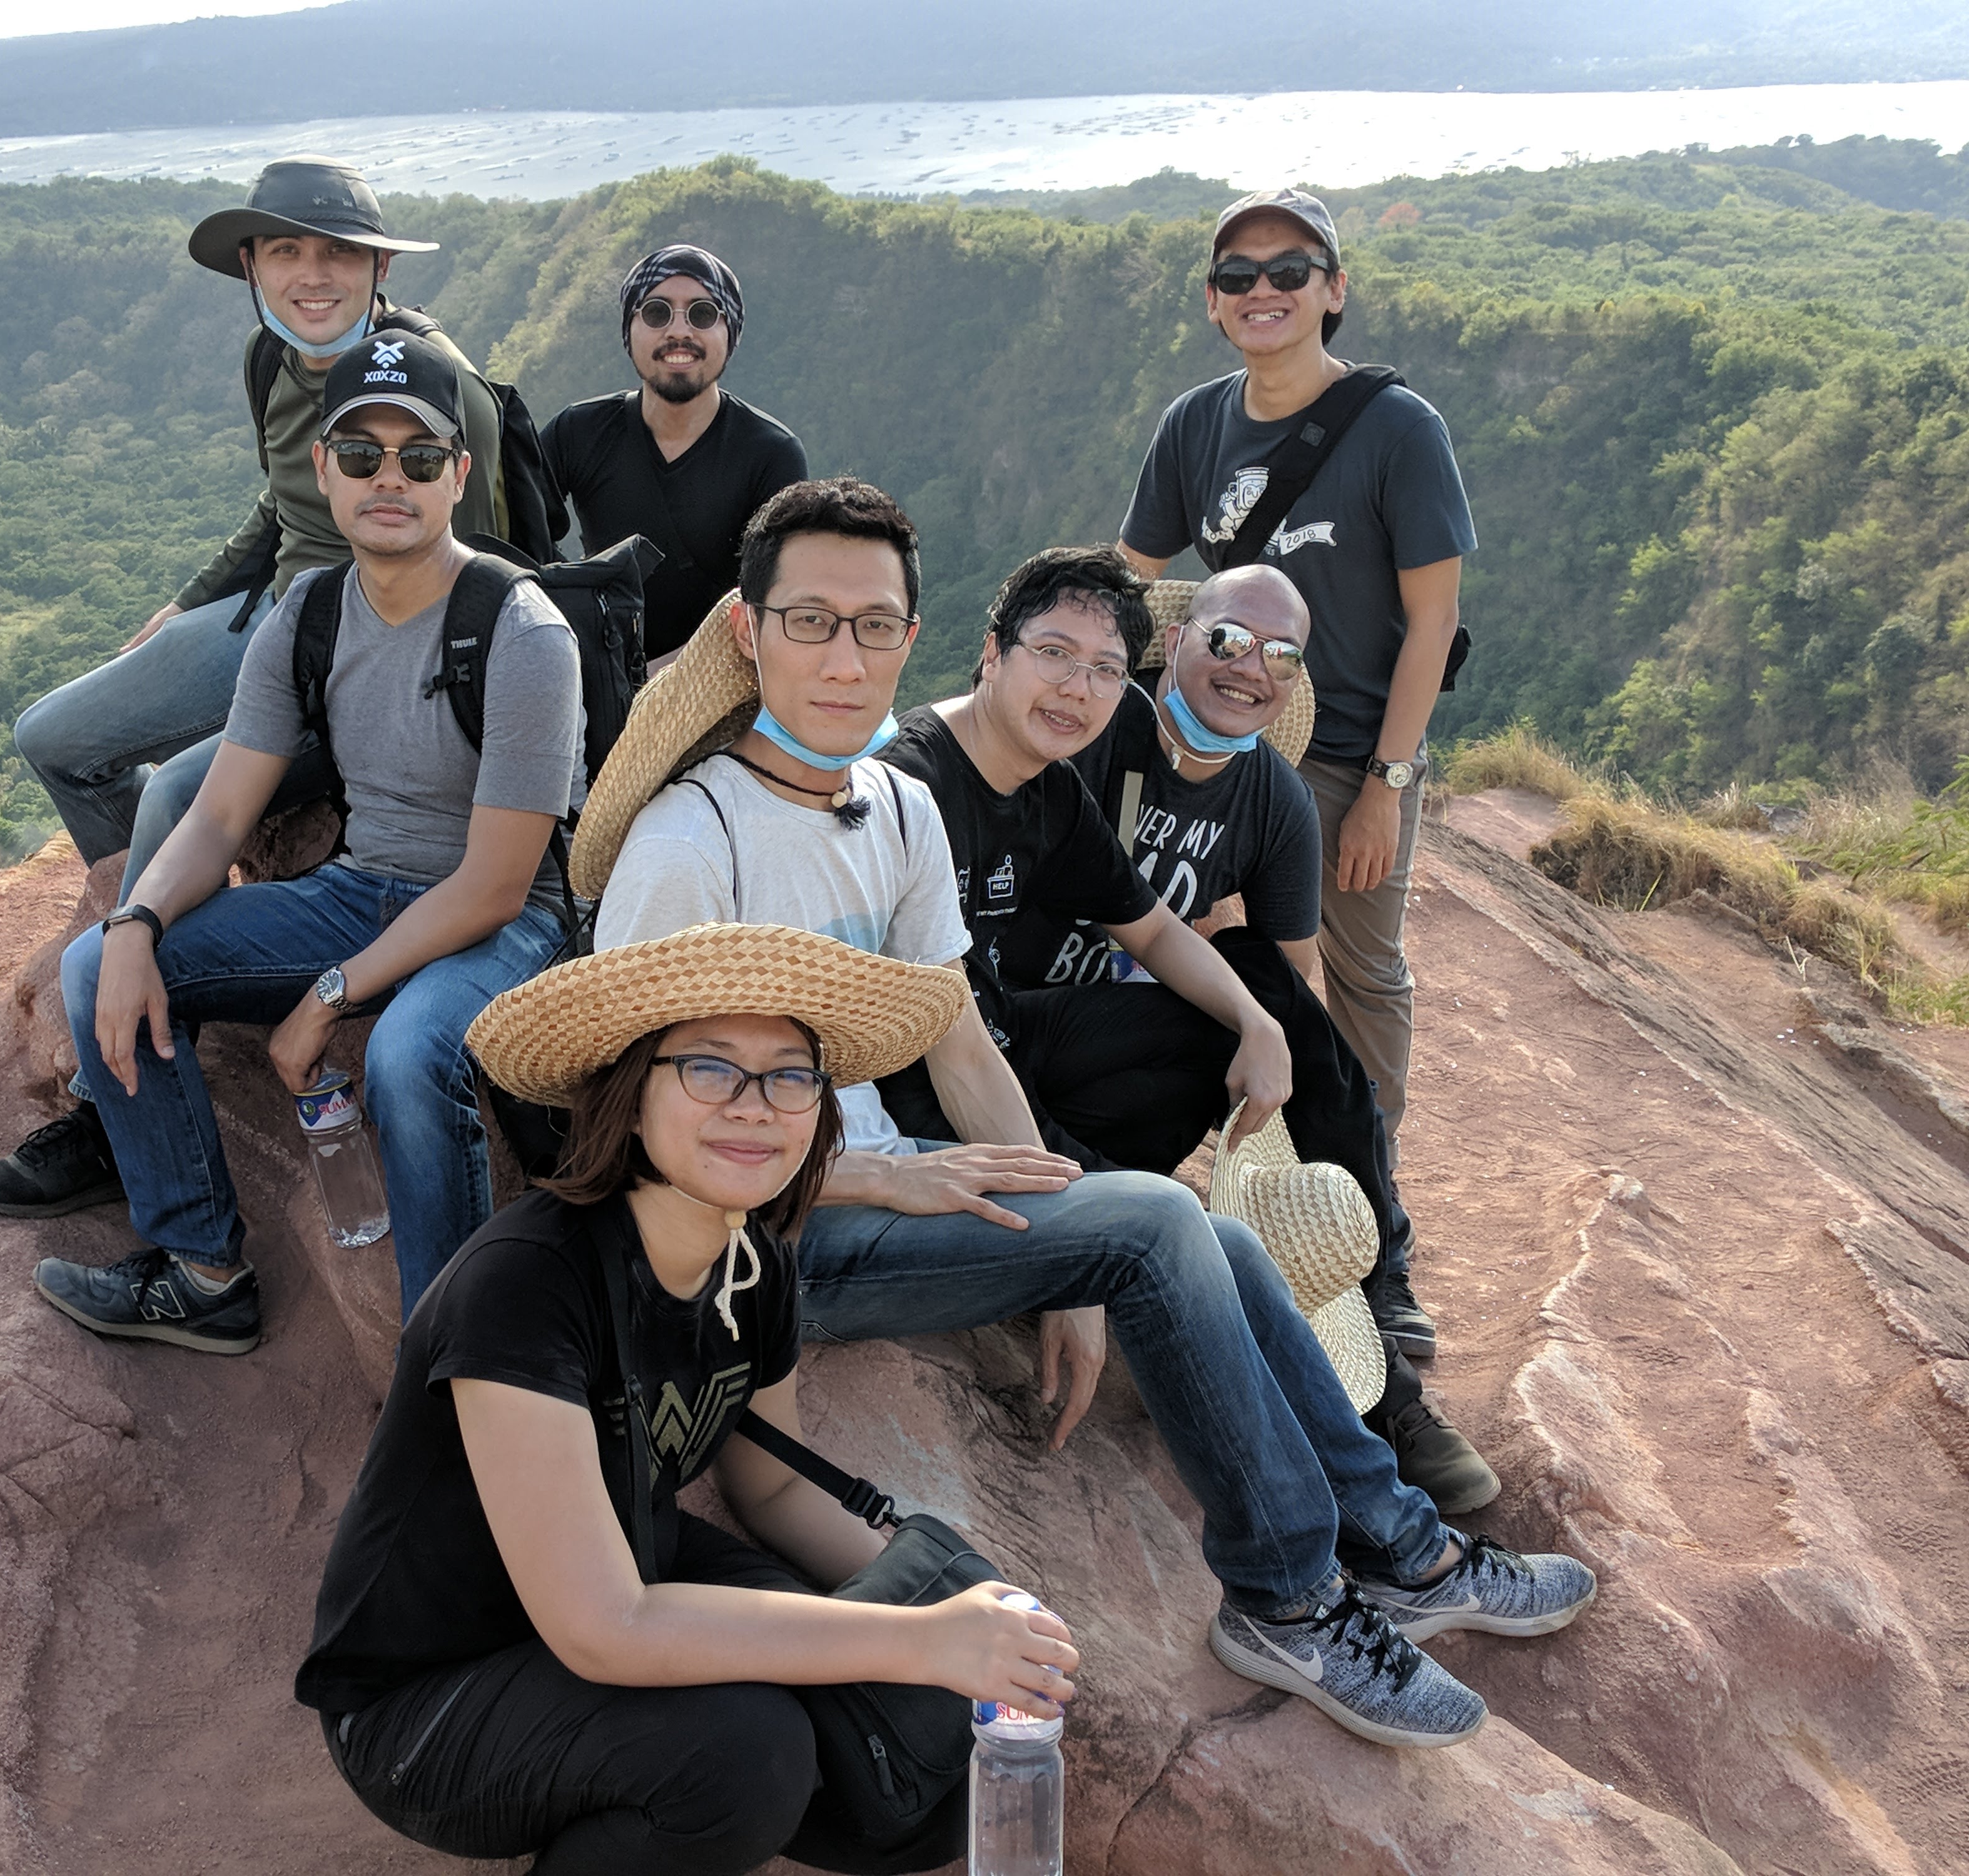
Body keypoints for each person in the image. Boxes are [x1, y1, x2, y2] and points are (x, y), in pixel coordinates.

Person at [570, 478, 1594, 1748]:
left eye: (875, 626)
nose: (847, 659)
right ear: (748, 632)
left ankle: (1400, 1549)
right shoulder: (692, 841)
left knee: (1194, 1233)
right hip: (765, 1251)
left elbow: (956, 1036)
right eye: (811, 622)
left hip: (905, 1189)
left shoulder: (882, 811)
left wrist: (1054, 1216)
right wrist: (896, 1183)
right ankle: (1288, 1597)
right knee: (1161, 1227)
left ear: (913, 634)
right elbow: (638, 1135)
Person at [298, 922, 1069, 1874]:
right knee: (747, 1756)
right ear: (628, 1098)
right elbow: (605, 1628)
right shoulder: (525, 1282)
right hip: (429, 1700)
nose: (755, 1106)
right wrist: (918, 1641)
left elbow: (776, 1492)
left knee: (925, 1761)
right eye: (710, 1069)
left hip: (637, 1573)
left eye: (791, 1076)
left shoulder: (758, 1263)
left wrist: (958, 1601)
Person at [0, 331, 580, 1346]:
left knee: (404, 1054)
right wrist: (133, 924)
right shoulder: (309, 613)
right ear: (323, 471)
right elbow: (218, 813)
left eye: (419, 458)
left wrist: (331, 998)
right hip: (363, 892)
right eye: (362, 456)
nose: (389, 478)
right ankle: (203, 1272)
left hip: (503, 923)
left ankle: (458, 1349)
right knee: (96, 969)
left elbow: (496, 882)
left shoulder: (520, 631)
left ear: (459, 475)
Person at [873, 547, 1497, 1512]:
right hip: (949, 1085)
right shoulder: (967, 771)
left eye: (1278, 654)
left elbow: (1162, 930)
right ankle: (1347, 1511)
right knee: (1185, 1246)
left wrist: (1261, 1024)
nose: (1079, 688)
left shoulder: (1118, 784)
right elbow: (952, 1053)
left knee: (1261, 991)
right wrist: (1068, 1248)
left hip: (1032, 1041)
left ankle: (1374, 1316)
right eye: (1228, 639)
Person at [0, 160, 510, 1224]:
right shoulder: (276, 354)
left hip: (367, 651)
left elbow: (490, 558)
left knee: (176, 803)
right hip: (272, 616)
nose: (313, 276)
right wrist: (194, 600)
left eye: (339, 252)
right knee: (58, 738)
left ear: (379, 267)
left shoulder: (441, 381)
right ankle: (161, 996)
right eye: (286, 251)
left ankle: (131, 1089)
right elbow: (279, 504)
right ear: (252, 267)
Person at [1116, 186, 1475, 1359]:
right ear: (1215, 305)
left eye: (1290, 268)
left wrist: (1388, 779)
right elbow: (1128, 573)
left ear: (1333, 288)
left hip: (1351, 749)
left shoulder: (1396, 427)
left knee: (1360, 982)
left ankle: (1378, 1240)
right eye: (1238, 275)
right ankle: (1218, 1197)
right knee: (1208, 963)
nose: (1263, 290)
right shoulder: (1195, 426)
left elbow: (1433, 623)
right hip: (1229, 748)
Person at [540, 245, 807, 663]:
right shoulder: (580, 432)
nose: (678, 332)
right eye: (656, 313)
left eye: (702, 314)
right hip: (591, 674)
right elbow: (520, 534)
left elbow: (776, 597)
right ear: (629, 331)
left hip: (718, 690)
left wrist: (660, 680)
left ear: (730, 333)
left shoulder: (770, 455)